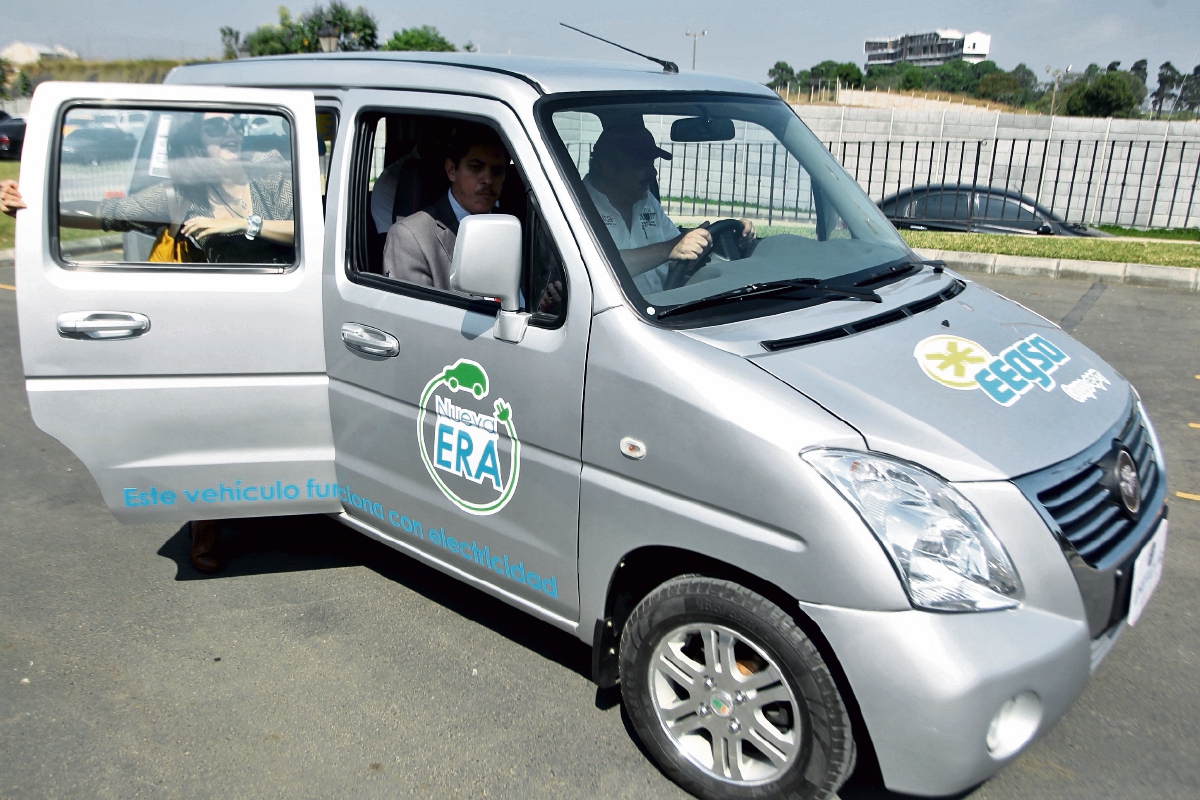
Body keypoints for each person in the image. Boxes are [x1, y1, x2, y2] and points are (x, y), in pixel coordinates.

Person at [3, 112, 295, 265]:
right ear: (195, 141)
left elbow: (306, 231)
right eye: (217, 127)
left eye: (235, 125)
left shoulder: (267, 166)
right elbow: (109, 213)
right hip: (239, 305)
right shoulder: (183, 194)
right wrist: (27, 206)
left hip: (298, 294)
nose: (231, 132)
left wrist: (243, 224)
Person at [582, 125, 756, 294]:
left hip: (658, 312)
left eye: (652, 163)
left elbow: (676, 256)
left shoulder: (647, 201)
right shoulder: (579, 206)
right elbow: (595, 266)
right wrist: (670, 249)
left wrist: (716, 238)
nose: (653, 172)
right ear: (609, 168)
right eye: (641, 165)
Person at [382, 122, 508, 289]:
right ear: (451, 170)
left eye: (497, 171)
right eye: (476, 167)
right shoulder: (411, 237)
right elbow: (413, 313)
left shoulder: (517, 227)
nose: (488, 180)